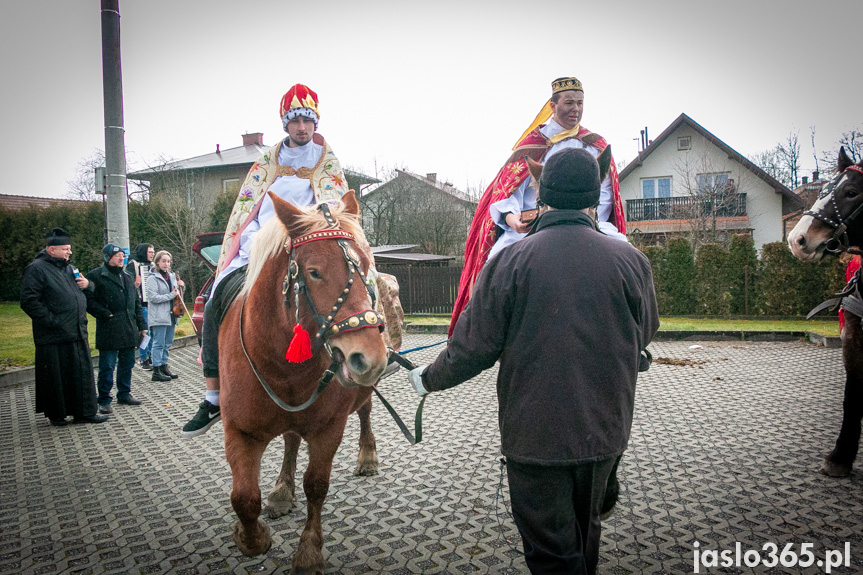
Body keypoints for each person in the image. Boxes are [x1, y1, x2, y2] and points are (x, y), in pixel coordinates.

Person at [407, 149, 659, 574]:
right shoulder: (631, 261)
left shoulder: (509, 261)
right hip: (605, 435)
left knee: (553, 555)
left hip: (536, 439)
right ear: (593, 195)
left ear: (542, 193)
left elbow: (474, 348)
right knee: (586, 536)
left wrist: (426, 379)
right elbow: (646, 331)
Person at [180, 83, 353, 437]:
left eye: (307, 120)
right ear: (285, 124)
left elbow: (333, 209)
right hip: (257, 249)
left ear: (315, 123)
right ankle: (213, 395)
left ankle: (361, 358)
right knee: (214, 301)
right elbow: (248, 209)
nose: (301, 127)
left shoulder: (327, 162)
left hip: (308, 245)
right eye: (295, 121)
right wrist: (256, 242)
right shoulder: (265, 163)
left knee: (355, 284)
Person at [450, 76, 627, 335]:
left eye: (580, 103)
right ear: (553, 106)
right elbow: (506, 190)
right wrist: (511, 218)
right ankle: (482, 330)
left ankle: (628, 330)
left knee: (626, 253)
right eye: (569, 102)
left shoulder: (595, 146)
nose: (575, 109)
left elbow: (607, 194)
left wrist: (593, 219)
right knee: (494, 262)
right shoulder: (531, 147)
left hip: (588, 221)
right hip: (533, 226)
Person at [20, 228, 108, 425]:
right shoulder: (36, 269)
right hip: (54, 334)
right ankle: (57, 414)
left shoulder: (68, 268)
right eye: (65, 249)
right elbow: (29, 300)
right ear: (52, 250)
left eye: (69, 249)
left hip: (76, 331)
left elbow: (82, 291)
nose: (69, 252)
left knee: (80, 375)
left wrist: (88, 285)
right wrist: (52, 321)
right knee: (56, 377)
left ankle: (84, 412)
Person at [86, 244, 147, 414]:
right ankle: (104, 399)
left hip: (128, 327)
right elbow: (88, 301)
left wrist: (142, 326)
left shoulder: (127, 276)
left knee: (127, 363)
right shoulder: (96, 275)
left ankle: (124, 393)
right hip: (109, 327)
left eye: (122, 255)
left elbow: (136, 303)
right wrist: (105, 314)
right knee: (107, 365)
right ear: (107, 257)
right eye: (117, 255)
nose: (121, 259)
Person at [146, 250, 184, 382]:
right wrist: (171, 295)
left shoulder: (172, 276)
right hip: (159, 316)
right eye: (163, 261)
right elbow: (153, 297)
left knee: (167, 343)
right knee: (159, 343)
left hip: (171, 314)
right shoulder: (152, 278)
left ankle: (164, 366)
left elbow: (177, 295)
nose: (166, 264)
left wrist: (181, 288)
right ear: (157, 262)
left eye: (168, 261)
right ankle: (156, 370)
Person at [126, 243, 155, 370]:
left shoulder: (153, 266)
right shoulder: (134, 264)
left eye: (153, 252)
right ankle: (143, 358)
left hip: (153, 303)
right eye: (150, 252)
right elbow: (127, 283)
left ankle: (152, 356)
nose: (152, 254)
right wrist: (135, 285)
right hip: (141, 303)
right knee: (145, 332)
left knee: (153, 332)